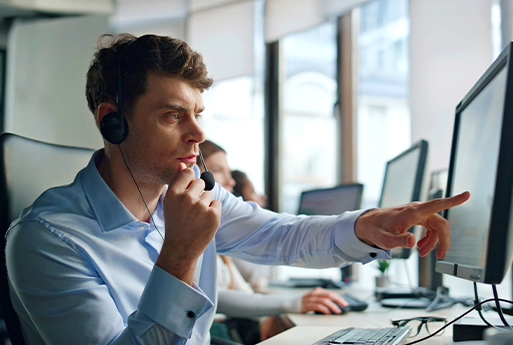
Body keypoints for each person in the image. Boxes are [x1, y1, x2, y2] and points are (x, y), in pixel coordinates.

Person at [5, 33, 470, 345]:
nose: (197, 135)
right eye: (173, 116)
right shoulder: (46, 240)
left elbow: (285, 236)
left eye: (198, 114)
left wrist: (370, 226)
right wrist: (181, 255)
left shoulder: (188, 198)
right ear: (113, 121)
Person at [199, 140, 346, 342]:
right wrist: (293, 303)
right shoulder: (189, 233)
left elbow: (243, 292)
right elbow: (215, 296)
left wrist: (271, 315)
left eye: (229, 172)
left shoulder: (216, 240)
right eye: (217, 170)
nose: (230, 182)